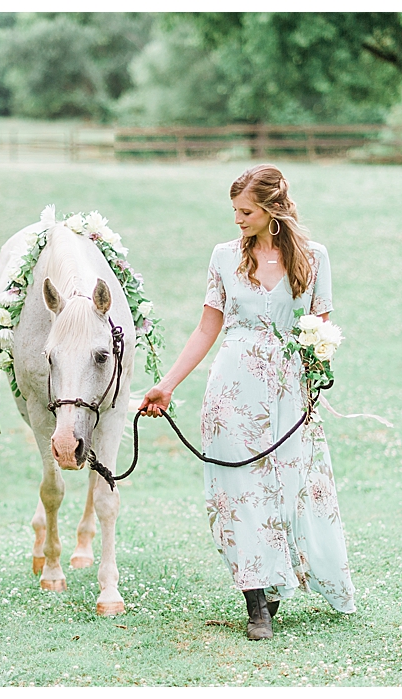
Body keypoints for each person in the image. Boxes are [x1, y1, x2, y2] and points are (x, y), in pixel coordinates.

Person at [140, 164, 356, 639]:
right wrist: (167, 384)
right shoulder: (223, 257)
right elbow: (206, 328)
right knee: (239, 489)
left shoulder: (314, 258)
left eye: (246, 211)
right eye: (235, 210)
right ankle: (255, 599)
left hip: (288, 387)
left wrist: (317, 373)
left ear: (272, 210)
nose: (237, 219)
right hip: (233, 385)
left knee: (288, 485)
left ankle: (277, 588)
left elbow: (322, 328)